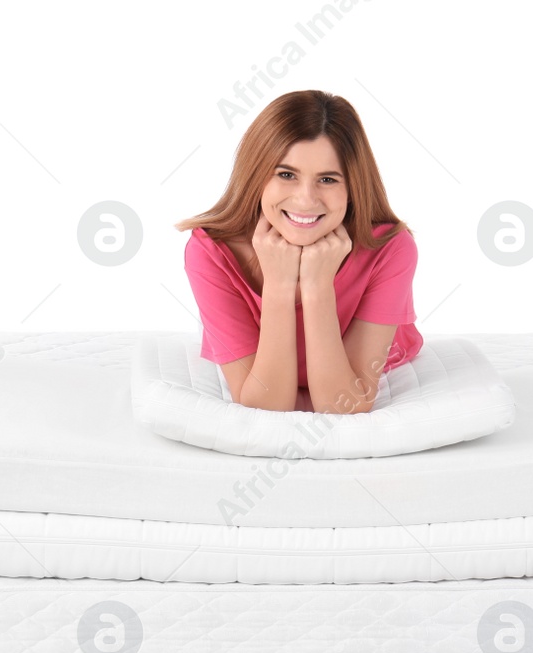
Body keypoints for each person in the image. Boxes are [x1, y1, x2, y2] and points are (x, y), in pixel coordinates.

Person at [175, 89, 423, 414]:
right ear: (256, 176)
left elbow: (342, 405)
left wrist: (317, 286)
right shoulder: (210, 252)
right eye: (287, 175)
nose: (306, 199)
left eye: (328, 179)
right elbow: (265, 406)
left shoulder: (390, 248)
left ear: (353, 188)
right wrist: (279, 285)